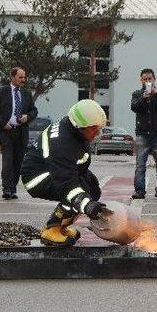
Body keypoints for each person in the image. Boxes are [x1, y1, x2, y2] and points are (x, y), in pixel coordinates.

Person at [20, 99, 111, 246]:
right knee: (79, 193)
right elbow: (66, 183)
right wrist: (86, 205)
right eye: (94, 128)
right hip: (37, 177)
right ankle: (52, 229)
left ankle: (62, 227)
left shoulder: (73, 128)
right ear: (80, 126)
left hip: (53, 171)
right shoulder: (61, 143)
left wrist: (88, 199)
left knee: (92, 188)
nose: (97, 132)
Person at [0, 67, 38, 200]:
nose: (23, 80)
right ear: (13, 77)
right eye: (20, 77)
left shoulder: (26, 94)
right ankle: (7, 189)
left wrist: (27, 117)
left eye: (24, 77)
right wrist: (3, 123)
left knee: (18, 162)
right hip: (6, 132)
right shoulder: (1, 92)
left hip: (21, 133)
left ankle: (13, 188)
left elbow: (34, 111)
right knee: (8, 161)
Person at [130, 68, 157, 200]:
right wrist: (143, 98)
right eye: (145, 79)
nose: (147, 81)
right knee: (140, 166)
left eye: (150, 79)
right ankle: (140, 191)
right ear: (141, 80)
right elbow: (134, 107)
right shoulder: (137, 94)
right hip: (143, 134)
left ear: (154, 79)